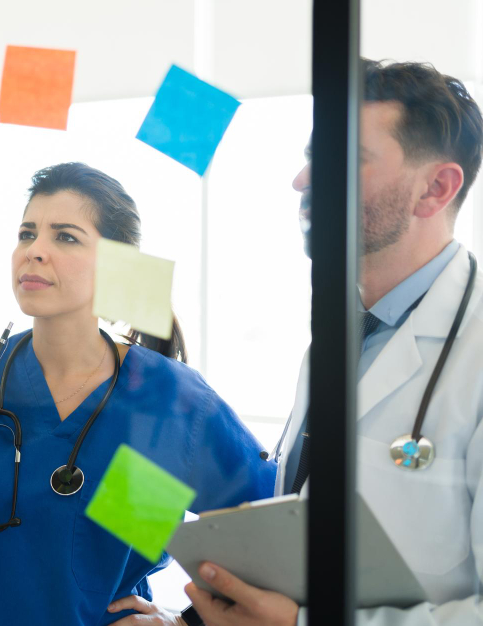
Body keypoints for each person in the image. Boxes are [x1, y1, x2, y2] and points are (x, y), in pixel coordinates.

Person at [114, 60, 483, 625]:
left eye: (345, 159)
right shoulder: (339, 336)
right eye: (313, 157)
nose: (303, 181)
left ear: (435, 189)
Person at [0, 162, 275, 625]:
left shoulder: (172, 397)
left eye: (65, 236)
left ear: (117, 266)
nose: (35, 251)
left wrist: (183, 621)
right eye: (27, 233)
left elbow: (270, 533)